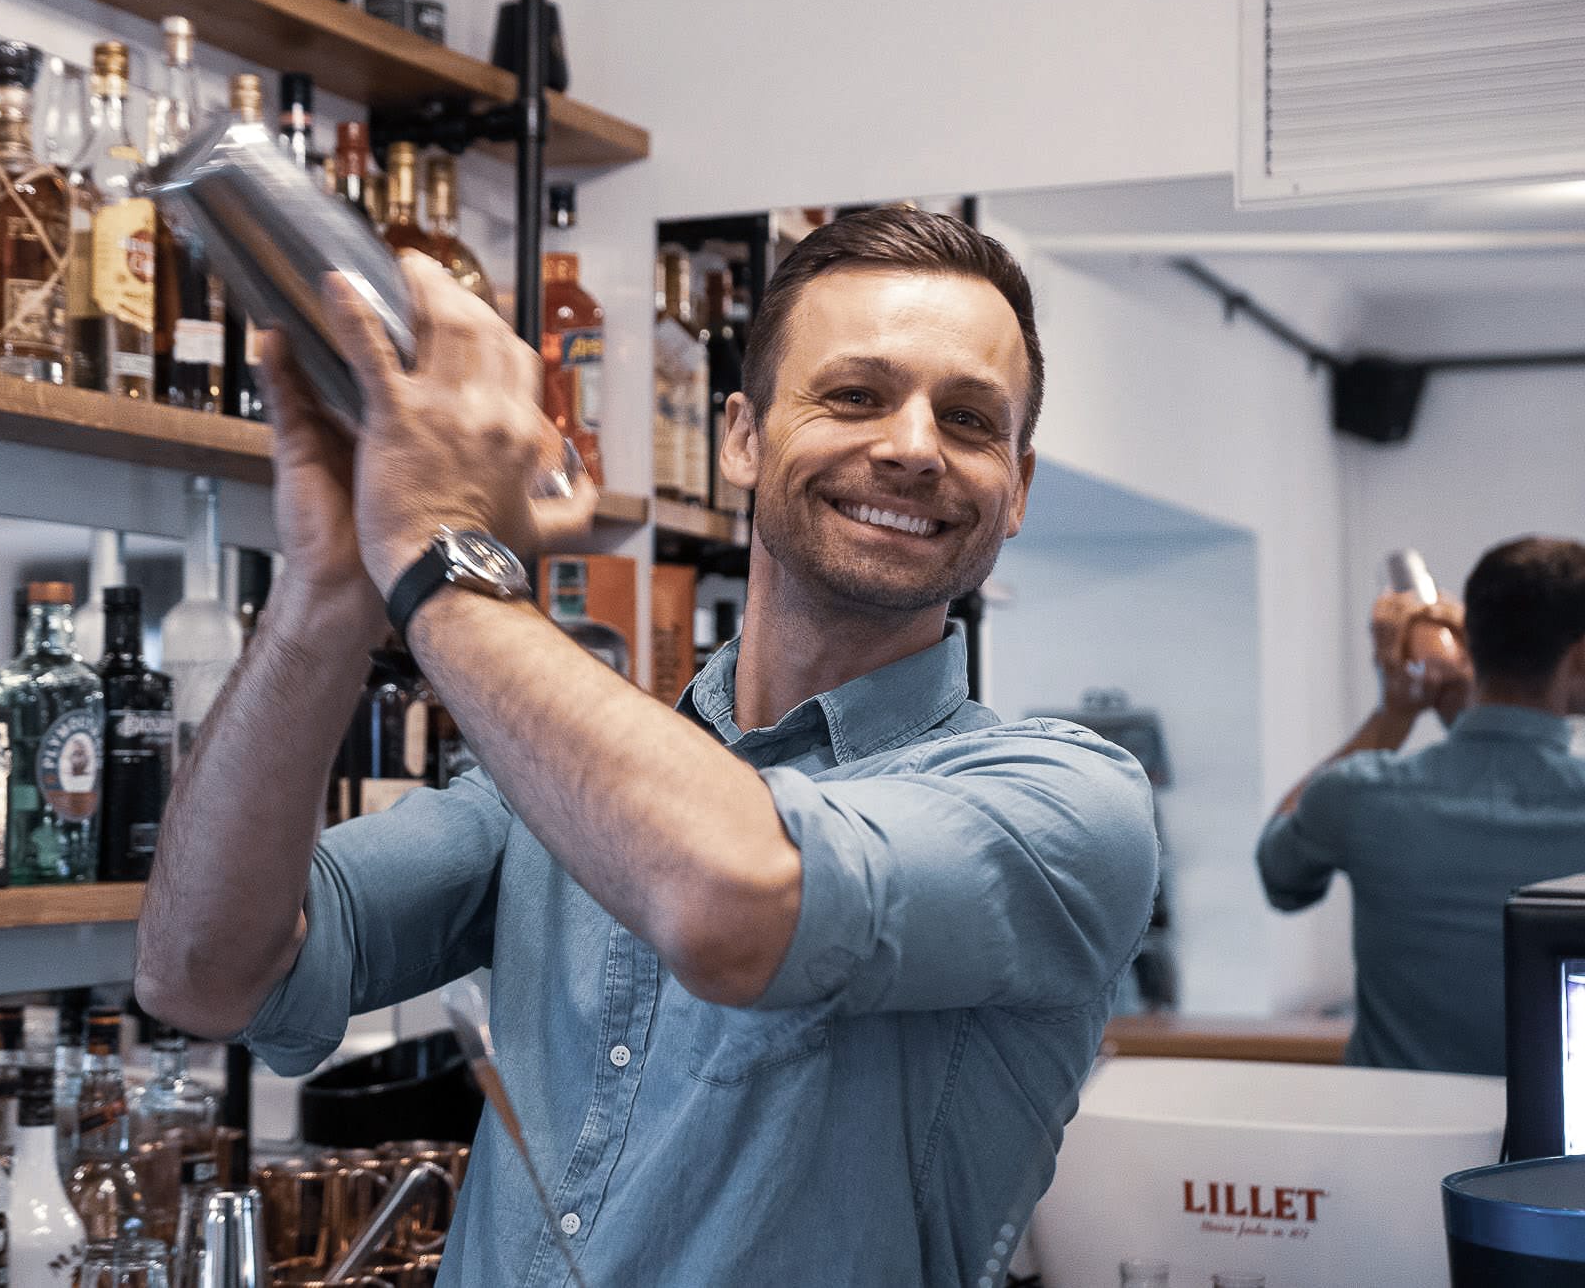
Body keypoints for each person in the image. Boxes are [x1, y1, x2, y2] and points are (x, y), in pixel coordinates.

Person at [137, 207, 1159, 1285]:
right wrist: (325, 592)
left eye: (965, 420)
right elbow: (200, 973)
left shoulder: (1066, 807)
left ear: (1017, 492)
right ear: (740, 438)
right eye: (854, 395)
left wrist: (437, 554)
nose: (910, 447)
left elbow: (732, 900)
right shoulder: (548, 783)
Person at [1258, 536, 1585, 1075]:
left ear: (1474, 639)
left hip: (1391, 1140)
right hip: (1555, 1148)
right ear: (1578, 654)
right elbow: (1510, 770)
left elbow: (1278, 870)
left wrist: (1395, 712)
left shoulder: (1360, 795)